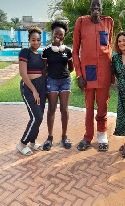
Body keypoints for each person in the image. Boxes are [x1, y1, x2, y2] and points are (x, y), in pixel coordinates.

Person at [73, 0, 114, 152]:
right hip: (88, 72)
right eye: (93, 5)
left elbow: (109, 45)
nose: (96, 8)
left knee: (102, 106)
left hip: (104, 70)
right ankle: (87, 137)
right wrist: (79, 75)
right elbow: (75, 51)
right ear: (90, 7)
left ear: (102, 7)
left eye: (98, 5)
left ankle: (102, 135)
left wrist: (112, 73)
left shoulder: (108, 22)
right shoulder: (81, 22)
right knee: (89, 107)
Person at [42, 21, 74, 151]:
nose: (58, 36)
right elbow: (44, 70)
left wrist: (63, 75)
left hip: (65, 81)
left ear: (63, 36)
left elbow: (71, 68)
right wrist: (50, 79)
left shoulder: (68, 51)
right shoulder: (46, 51)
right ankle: (49, 137)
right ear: (52, 33)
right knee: (51, 109)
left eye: (61, 34)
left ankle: (64, 136)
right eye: (56, 33)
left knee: (64, 110)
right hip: (52, 82)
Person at [17, 26, 46, 156]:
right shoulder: (25, 52)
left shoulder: (40, 55)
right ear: (29, 40)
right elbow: (23, 73)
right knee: (36, 117)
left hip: (41, 86)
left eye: (38, 40)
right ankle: (22, 143)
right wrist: (34, 90)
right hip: (29, 87)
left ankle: (32, 142)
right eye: (33, 40)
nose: (36, 42)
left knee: (38, 116)